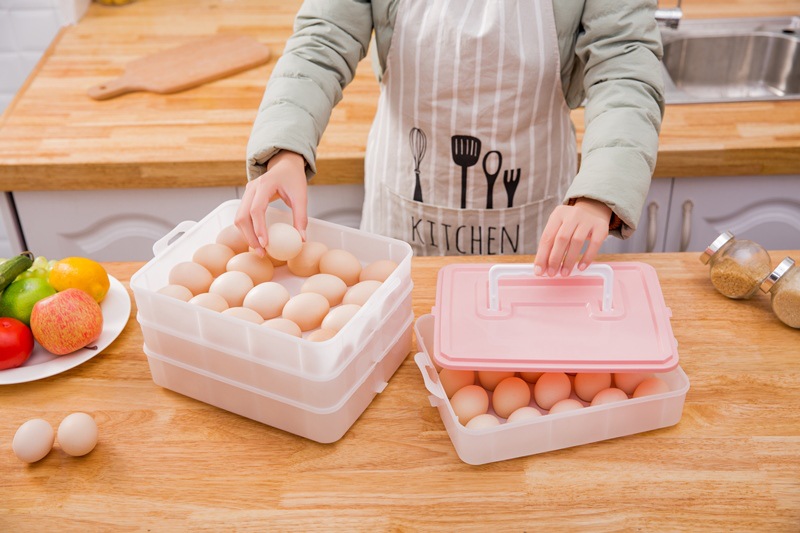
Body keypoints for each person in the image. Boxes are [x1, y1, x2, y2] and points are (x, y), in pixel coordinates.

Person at [235, 0, 664, 277]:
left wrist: (599, 195)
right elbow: (322, 42)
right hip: (405, 207)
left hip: (537, 220)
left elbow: (624, 66)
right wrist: (285, 151)